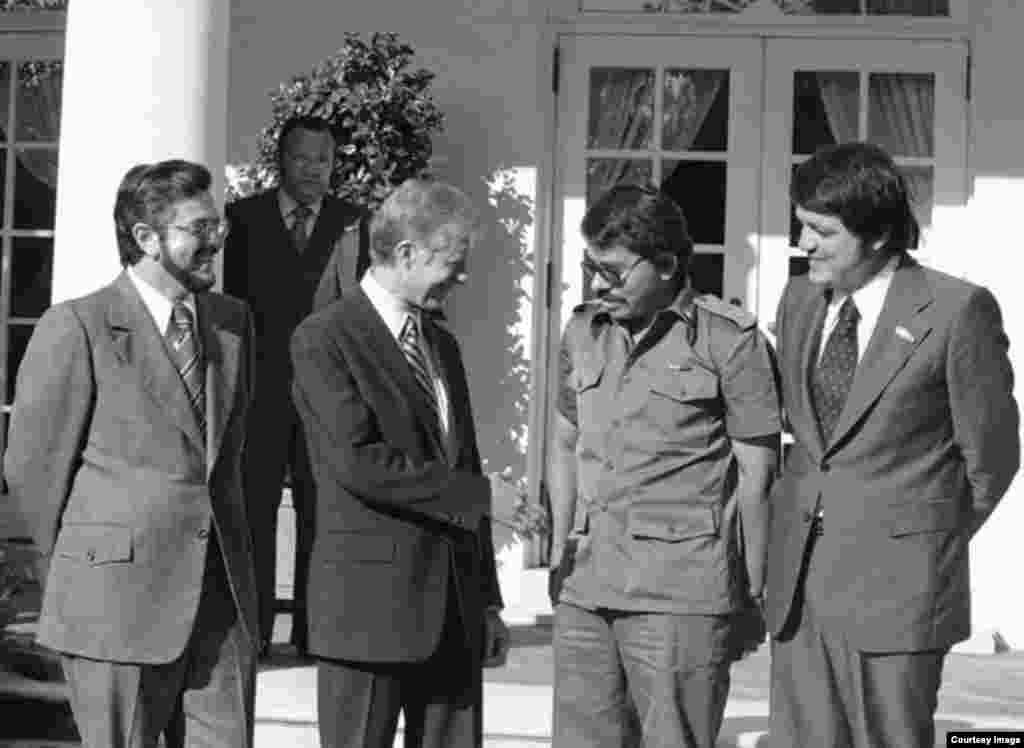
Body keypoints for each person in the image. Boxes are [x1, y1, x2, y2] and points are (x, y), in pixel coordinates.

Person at [766, 141, 1020, 748]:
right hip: (800, 583)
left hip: (898, 591)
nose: (804, 244)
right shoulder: (799, 297)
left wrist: (923, 538)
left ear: (877, 235)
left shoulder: (958, 311)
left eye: (821, 232)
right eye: (801, 226)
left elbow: (991, 455)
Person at [4, 160, 259, 748]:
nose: (215, 240)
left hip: (220, 601)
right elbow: (33, 469)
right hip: (113, 604)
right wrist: (84, 568)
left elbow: (234, 456)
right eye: (198, 228)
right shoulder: (77, 326)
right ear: (146, 239)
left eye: (216, 224)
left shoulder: (233, 324)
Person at [548, 183, 781, 748]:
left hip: (681, 594)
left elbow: (759, 477)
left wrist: (753, 592)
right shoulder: (582, 330)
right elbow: (563, 441)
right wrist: (558, 549)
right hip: (586, 585)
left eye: (614, 271)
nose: (598, 284)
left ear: (669, 265)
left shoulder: (729, 341)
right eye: (590, 268)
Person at [290, 178, 510, 748]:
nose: (462, 277)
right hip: (368, 616)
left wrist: (486, 600)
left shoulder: (443, 344)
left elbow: (464, 461)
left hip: (455, 616)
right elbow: (359, 463)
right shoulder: (324, 339)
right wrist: (484, 497)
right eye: (453, 262)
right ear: (406, 253)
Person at [223, 115, 364, 656]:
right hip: (257, 392)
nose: (313, 170)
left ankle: (314, 632)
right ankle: (252, 634)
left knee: (324, 511)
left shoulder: (356, 224)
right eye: (303, 158)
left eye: (323, 160)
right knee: (252, 510)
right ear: (281, 159)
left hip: (327, 395)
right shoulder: (242, 219)